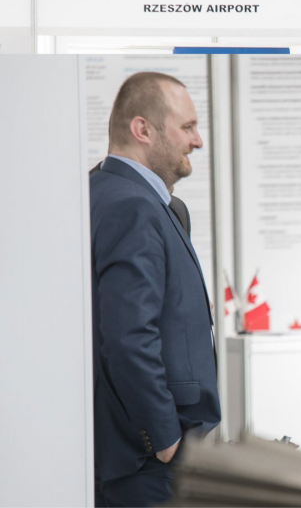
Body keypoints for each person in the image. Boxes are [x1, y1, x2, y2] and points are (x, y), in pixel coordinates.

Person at [91, 72, 220, 508]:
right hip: (147, 463)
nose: (197, 141)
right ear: (142, 129)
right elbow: (128, 337)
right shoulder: (131, 205)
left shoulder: (104, 191)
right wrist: (165, 439)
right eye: (187, 127)